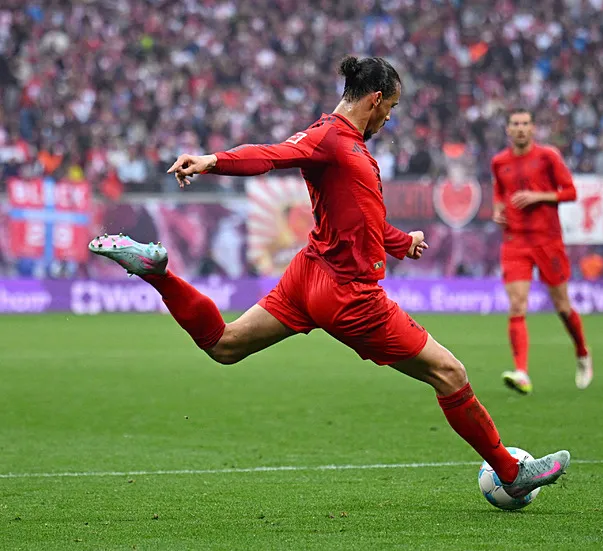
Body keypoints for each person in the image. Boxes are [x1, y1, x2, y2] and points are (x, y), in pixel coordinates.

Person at [89, 57, 569, 497]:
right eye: (391, 108)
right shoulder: (331, 138)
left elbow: (360, 217)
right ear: (375, 99)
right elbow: (271, 155)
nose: (389, 119)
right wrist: (212, 160)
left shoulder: (343, 143)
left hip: (309, 275)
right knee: (450, 373)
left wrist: (401, 241)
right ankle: (511, 473)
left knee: (225, 345)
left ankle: (159, 274)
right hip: (348, 295)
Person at [491, 108, 592, 395]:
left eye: (525, 123)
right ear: (508, 129)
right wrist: (498, 210)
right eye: (515, 124)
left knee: (562, 307)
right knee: (517, 305)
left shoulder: (548, 156)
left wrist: (539, 196)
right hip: (515, 242)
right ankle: (521, 372)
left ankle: (582, 352)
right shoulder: (499, 161)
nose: (520, 128)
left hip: (548, 241)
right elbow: (499, 193)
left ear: (533, 128)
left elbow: (571, 192)